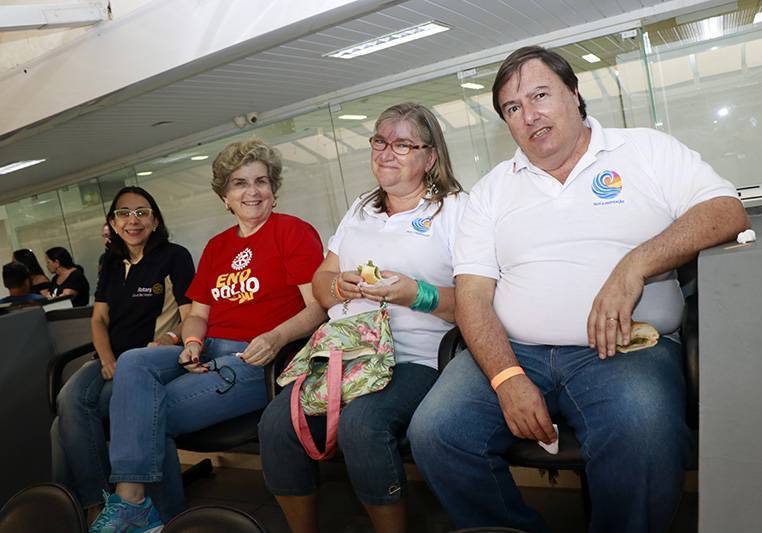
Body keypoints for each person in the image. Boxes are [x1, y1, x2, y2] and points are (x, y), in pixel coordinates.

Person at [408, 46, 750, 532]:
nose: (529, 115)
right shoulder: (492, 191)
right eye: (512, 107)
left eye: (540, 95)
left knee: (643, 429)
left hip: (625, 349)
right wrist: (506, 378)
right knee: (436, 432)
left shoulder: (645, 150)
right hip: (517, 351)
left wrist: (634, 266)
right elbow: (472, 296)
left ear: (573, 93)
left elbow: (725, 211)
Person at [89, 139, 327, 532]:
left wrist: (275, 337)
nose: (252, 192)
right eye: (239, 183)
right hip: (210, 347)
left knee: (149, 415)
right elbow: (198, 314)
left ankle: (150, 516)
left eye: (261, 181)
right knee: (133, 361)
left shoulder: (292, 231)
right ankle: (140, 507)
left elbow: (316, 308)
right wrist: (192, 343)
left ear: (273, 188)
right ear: (224, 197)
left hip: (258, 357)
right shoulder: (218, 247)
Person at [259, 102, 467, 533]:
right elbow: (321, 286)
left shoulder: (455, 210)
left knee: (363, 423)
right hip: (348, 352)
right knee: (276, 423)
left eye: (403, 144)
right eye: (380, 141)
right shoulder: (360, 209)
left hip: (414, 358)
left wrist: (417, 294)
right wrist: (340, 285)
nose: (386, 152)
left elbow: (475, 301)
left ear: (430, 156)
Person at [51, 186, 195, 525]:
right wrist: (106, 360)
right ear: (113, 224)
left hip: (151, 359)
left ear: (155, 221)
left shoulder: (174, 256)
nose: (134, 220)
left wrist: (169, 338)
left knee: (64, 426)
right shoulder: (111, 263)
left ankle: (112, 511)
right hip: (110, 358)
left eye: (142, 212)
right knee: (67, 400)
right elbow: (99, 320)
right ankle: (100, 505)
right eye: (124, 213)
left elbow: (191, 315)